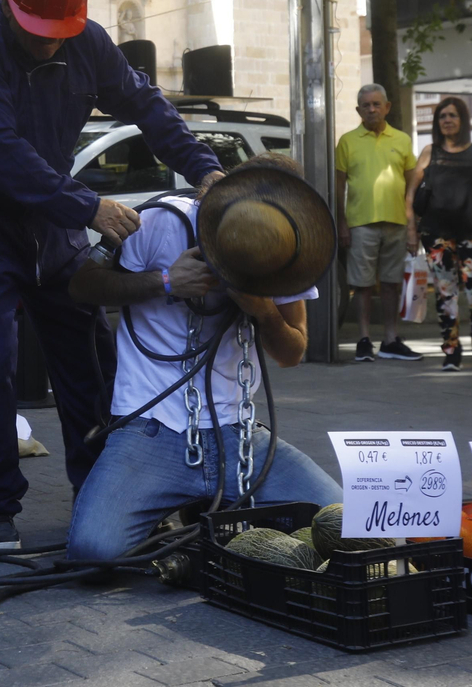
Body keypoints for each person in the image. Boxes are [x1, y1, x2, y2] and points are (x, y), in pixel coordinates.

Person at [0, 0, 225, 551]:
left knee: (88, 354)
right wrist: (87, 206)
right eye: (37, 30)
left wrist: (203, 168)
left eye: (57, 30)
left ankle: (100, 491)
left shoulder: (88, 42)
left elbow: (148, 107)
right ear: (8, 2)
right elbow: (0, 152)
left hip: (52, 218)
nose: (48, 41)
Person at [65, 156, 342, 560]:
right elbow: (82, 286)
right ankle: (184, 508)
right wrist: (165, 281)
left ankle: (209, 512)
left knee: (346, 524)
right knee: (94, 550)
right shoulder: (163, 221)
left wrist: (262, 309)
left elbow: (291, 353)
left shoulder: (287, 252)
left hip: (238, 434)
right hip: (153, 427)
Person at [405, 96, 472, 372]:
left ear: (463, 120)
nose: (447, 120)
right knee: (446, 295)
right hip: (437, 236)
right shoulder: (429, 152)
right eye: (442, 116)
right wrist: (411, 230)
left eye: (452, 115)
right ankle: (451, 352)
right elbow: (410, 194)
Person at [335, 84, 421, 363]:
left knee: (391, 284)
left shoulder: (402, 140)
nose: (371, 109)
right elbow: (338, 186)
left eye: (376, 104)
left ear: (387, 107)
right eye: (366, 105)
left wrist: (412, 226)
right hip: (360, 224)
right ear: (358, 110)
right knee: (362, 285)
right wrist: (342, 223)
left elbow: (412, 187)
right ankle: (363, 340)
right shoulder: (347, 141)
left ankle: (391, 340)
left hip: (397, 222)